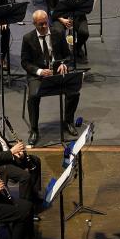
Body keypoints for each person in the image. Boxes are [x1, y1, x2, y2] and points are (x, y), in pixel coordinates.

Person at [21, 10, 79, 147]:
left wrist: (64, 64)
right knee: (33, 96)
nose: (44, 26)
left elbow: (67, 55)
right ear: (34, 24)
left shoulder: (57, 33)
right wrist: (40, 71)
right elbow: (25, 62)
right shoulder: (28, 38)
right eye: (40, 24)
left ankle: (68, 121)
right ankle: (34, 130)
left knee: (74, 91)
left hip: (56, 71)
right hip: (39, 75)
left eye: (46, 23)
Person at [46, 0, 90, 64]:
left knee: (84, 32)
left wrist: (77, 14)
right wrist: (62, 20)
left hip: (77, 15)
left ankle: (77, 48)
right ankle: (62, 54)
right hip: (60, 17)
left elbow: (84, 3)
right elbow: (51, 9)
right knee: (58, 31)